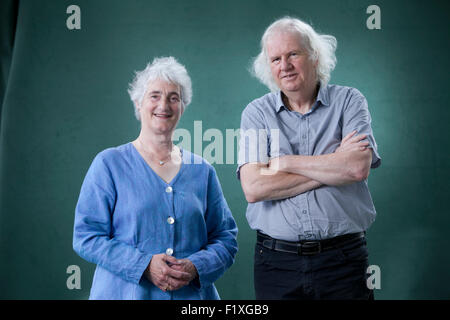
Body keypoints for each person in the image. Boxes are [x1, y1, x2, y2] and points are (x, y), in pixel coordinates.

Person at [237, 17, 381, 300]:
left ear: (314, 56)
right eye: (275, 58)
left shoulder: (350, 101)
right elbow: (254, 189)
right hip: (275, 264)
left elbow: (356, 168)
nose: (285, 65)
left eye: (293, 54)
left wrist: (286, 163)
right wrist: (332, 164)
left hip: (344, 261)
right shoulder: (255, 113)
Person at [73, 57, 238, 300]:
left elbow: (225, 238)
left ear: (183, 107)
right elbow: (86, 236)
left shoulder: (202, 170)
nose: (164, 105)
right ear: (138, 103)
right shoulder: (109, 164)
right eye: (154, 96)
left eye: (174, 97)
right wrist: (143, 265)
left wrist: (196, 267)